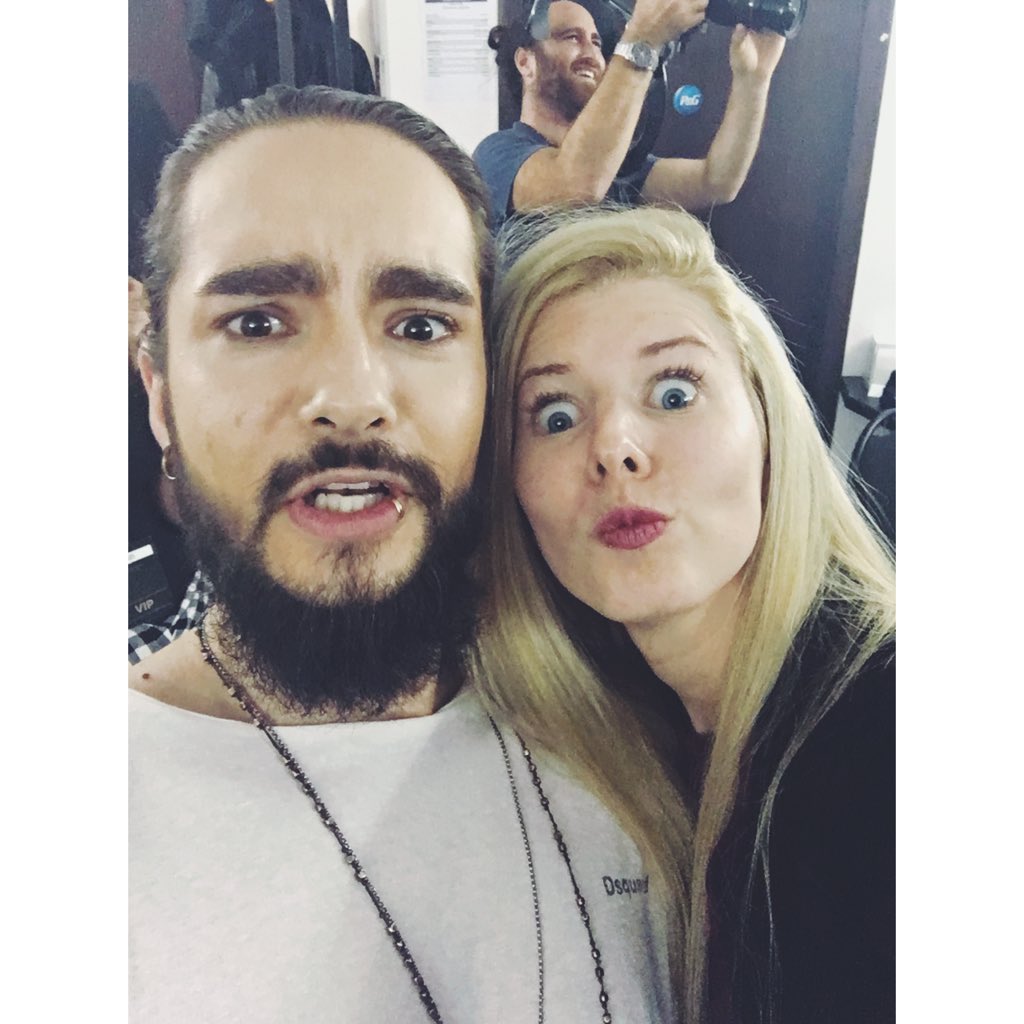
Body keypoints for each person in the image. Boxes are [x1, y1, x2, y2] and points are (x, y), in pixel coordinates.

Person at [129, 86, 689, 1023]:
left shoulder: (641, 729)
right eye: (257, 322)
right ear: (159, 390)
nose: (353, 398)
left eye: (422, 325)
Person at [482, 204, 896, 1023]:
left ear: (767, 422)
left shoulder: (886, 730)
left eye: (674, 392)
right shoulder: (630, 740)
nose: (615, 448)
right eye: (556, 415)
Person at [473, 0, 786, 232]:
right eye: (571, 37)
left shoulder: (616, 168)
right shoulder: (498, 154)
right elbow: (573, 188)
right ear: (525, 62)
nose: (591, 53)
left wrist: (754, 79)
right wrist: (642, 41)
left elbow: (717, 181)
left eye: (597, 43)